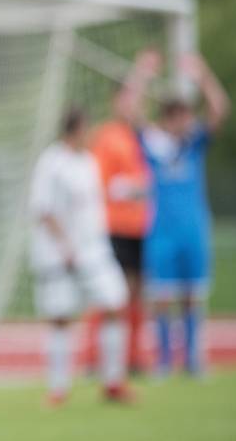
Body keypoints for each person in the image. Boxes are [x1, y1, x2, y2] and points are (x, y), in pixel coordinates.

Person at [28, 108, 132, 405]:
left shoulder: (88, 162)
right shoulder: (52, 161)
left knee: (115, 303)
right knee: (60, 317)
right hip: (59, 255)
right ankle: (58, 389)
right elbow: (43, 209)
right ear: (75, 129)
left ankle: (113, 382)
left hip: (94, 251)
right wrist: (65, 246)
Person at [137, 52, 230, 376]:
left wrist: (202, 73)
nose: (186, 121)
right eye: (180, 116)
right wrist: (143, 73)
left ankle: (192, 360)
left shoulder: (195, 143)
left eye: (189, 115)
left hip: (193, 228)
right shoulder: (153, 144)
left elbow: (220, 109)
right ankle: (163, 360)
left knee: (194, 294)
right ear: (168, 117)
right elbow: (128, 112)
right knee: (162, 296)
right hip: (162, 230)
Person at [82, 51, 159, 375]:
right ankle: (93, 356)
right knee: (110, 293)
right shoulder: (107, 136)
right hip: (114, 226)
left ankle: (133, 356)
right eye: (126, 97)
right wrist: (140, 72)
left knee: (137, 295)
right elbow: (99, 182)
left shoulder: (145, 135)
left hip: (141, 226)